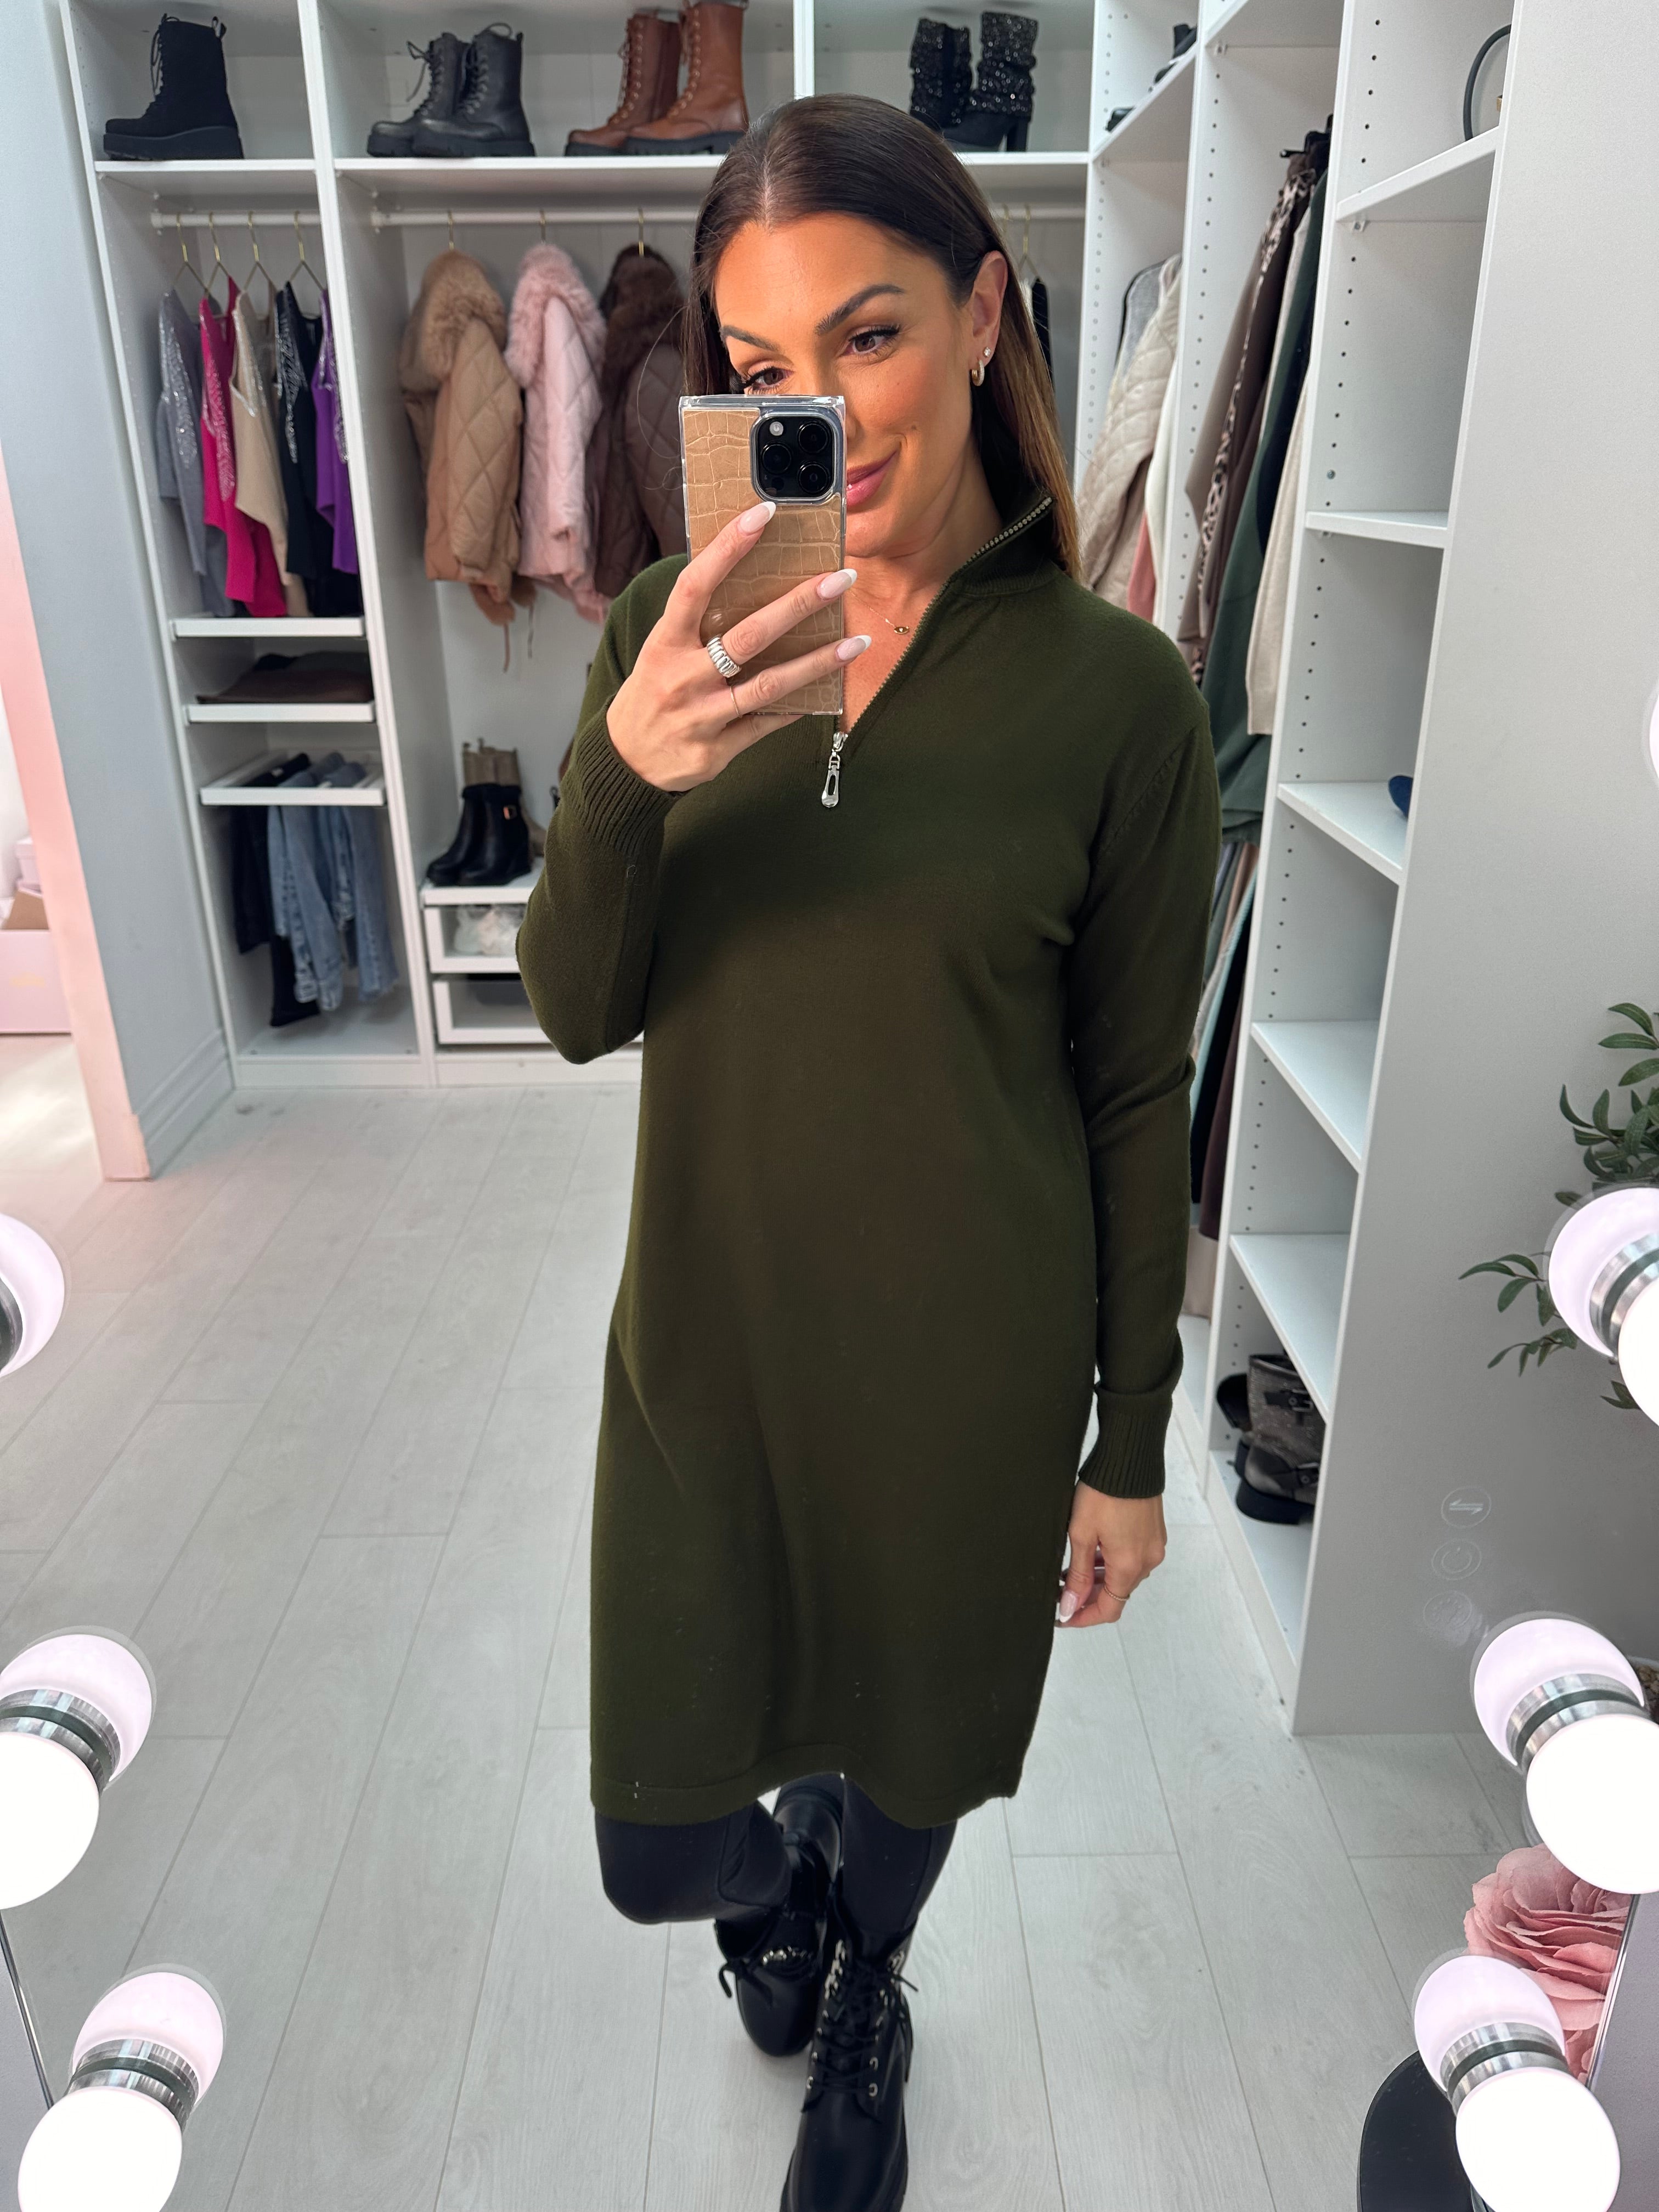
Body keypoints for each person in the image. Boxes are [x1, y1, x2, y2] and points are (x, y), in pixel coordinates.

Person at [517, 94, 1220, 2212]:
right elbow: (576, 1005)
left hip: (961, 1384)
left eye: (871, 335)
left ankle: (872, 1986)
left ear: (985, 312)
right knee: (657, 1842)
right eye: (760, 367)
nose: (817, 407)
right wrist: (628, 768)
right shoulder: (676, 628)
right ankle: (782, 1899)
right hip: (710, 1362)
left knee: (913, 1768)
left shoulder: (1117, 699)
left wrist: (1128, 1442)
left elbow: (1132, 1092)